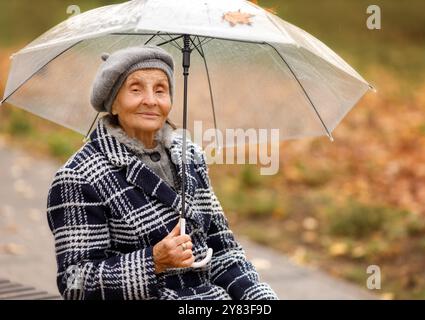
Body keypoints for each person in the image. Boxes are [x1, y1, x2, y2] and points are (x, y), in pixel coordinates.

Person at [46, 45, 278, 300]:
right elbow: (75, 284)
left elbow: (223, 251)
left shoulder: (190, 156)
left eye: (160, 90)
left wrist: (260, 300)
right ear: (112, 102)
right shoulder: (79, 176)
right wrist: (153, 261)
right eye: (136, 89)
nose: (151, 100)